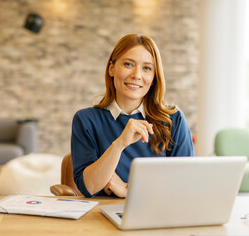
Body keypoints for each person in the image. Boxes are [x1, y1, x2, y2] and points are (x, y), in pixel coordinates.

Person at [71, 34, 195, 198]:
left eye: (147, 68)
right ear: (111, 69)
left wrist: (126, 189)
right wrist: (120, 143)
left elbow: (186, 185)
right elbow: (89, 187)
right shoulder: (86, 120)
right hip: (100, 216)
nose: (137, 75)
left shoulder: (173, 119)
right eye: (128, 64)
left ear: (153, 77)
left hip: (159, 215)